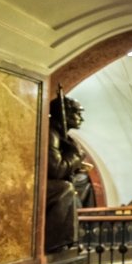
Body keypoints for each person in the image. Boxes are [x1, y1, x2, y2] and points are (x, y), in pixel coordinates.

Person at [45, 94, 87, 252]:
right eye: (78, 113)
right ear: (65, 113)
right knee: (65, 189)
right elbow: (56, 169)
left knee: (72, 193)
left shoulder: (60, 134)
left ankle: (70, 241)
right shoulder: (51, 133)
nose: (81, 118)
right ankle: (58, 244)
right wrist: (75, 155)